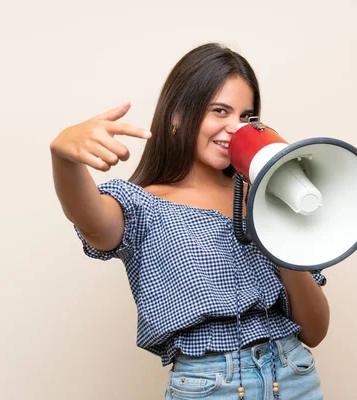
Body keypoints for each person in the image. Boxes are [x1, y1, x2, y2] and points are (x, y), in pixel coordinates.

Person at [50, 43, 330, 400]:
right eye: (219, 111)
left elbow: (315, 330)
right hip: (211, 387)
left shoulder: (267, 198)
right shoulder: (145, 205)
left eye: (246, 117)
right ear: (178, 116)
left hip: (295, 376)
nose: (235, 129)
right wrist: (64, 157)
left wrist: (277, 224)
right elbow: (91, 220)